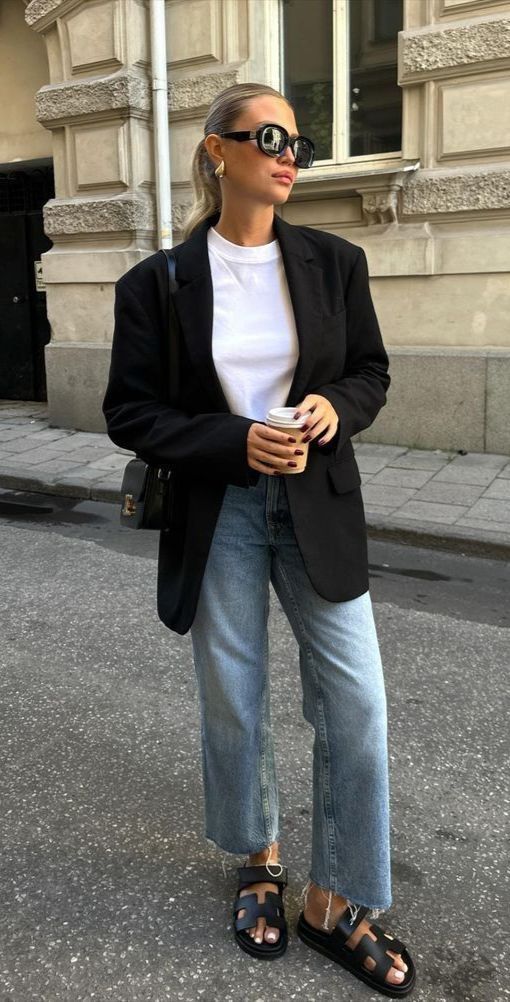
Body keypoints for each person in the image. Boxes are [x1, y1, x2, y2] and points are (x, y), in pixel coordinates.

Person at [103, 82, 416, 997]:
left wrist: (333, 407)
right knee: (235, 699)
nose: (288, 153)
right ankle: (258, 860)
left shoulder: (333, 262)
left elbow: (370, 372)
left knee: (355, 706)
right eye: (268, 135)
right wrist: (230, 439)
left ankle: (339, 897)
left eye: (297, 140)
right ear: (216, 151)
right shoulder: (156, 283)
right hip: (223, 511)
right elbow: (132, 413)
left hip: (316, 503)